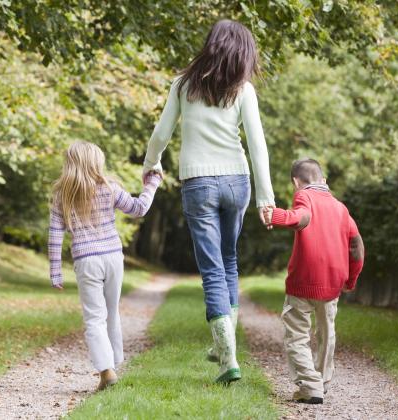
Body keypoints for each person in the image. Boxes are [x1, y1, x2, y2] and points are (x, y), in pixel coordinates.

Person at [143, 19, 275, 384]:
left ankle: (227, 357)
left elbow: (160, 134)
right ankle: (223, 347)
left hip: (198, 181)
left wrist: (150, 165)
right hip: (237, 180)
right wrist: (267, 198)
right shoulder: (243, 90)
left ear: (210, 45)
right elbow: (258, 146)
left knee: (213, 269)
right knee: (229, 260)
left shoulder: (183, 85)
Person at [48, 141, 162, 391]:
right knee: (112, 311)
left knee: (94, 318)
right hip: (113, 257)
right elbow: (138, 209)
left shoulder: (61, 195)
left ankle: (106, 370)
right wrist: (151, 185)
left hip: (86, 260)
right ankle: (113, 364)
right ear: (96, 163)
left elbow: (55, 234)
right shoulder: (110, 188)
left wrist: (55, 270)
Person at [265, 158, 365, 404]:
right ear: (324, 181)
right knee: (326, 333)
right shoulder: (341, 208)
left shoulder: (304, 197)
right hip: (333, 283)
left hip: (303, 281)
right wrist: (351, 279)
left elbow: (302, 217)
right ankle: (322, 381)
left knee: (297, 334)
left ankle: (310, 386)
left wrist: (274, 215)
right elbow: (357, 245)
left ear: (295, 182)